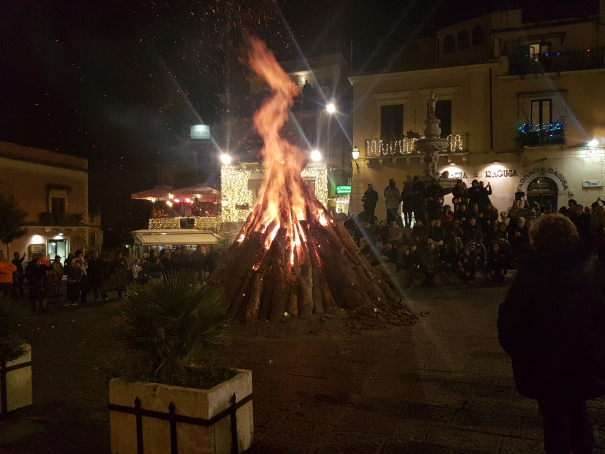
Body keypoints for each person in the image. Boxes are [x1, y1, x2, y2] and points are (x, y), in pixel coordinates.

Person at [498, 214, 605, 454]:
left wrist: (525, 355)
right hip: (585, 362)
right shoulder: (594, 271)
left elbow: (509, 325)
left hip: (546, 367)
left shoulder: (529, 277)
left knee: (556, 421)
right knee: (579, 409)